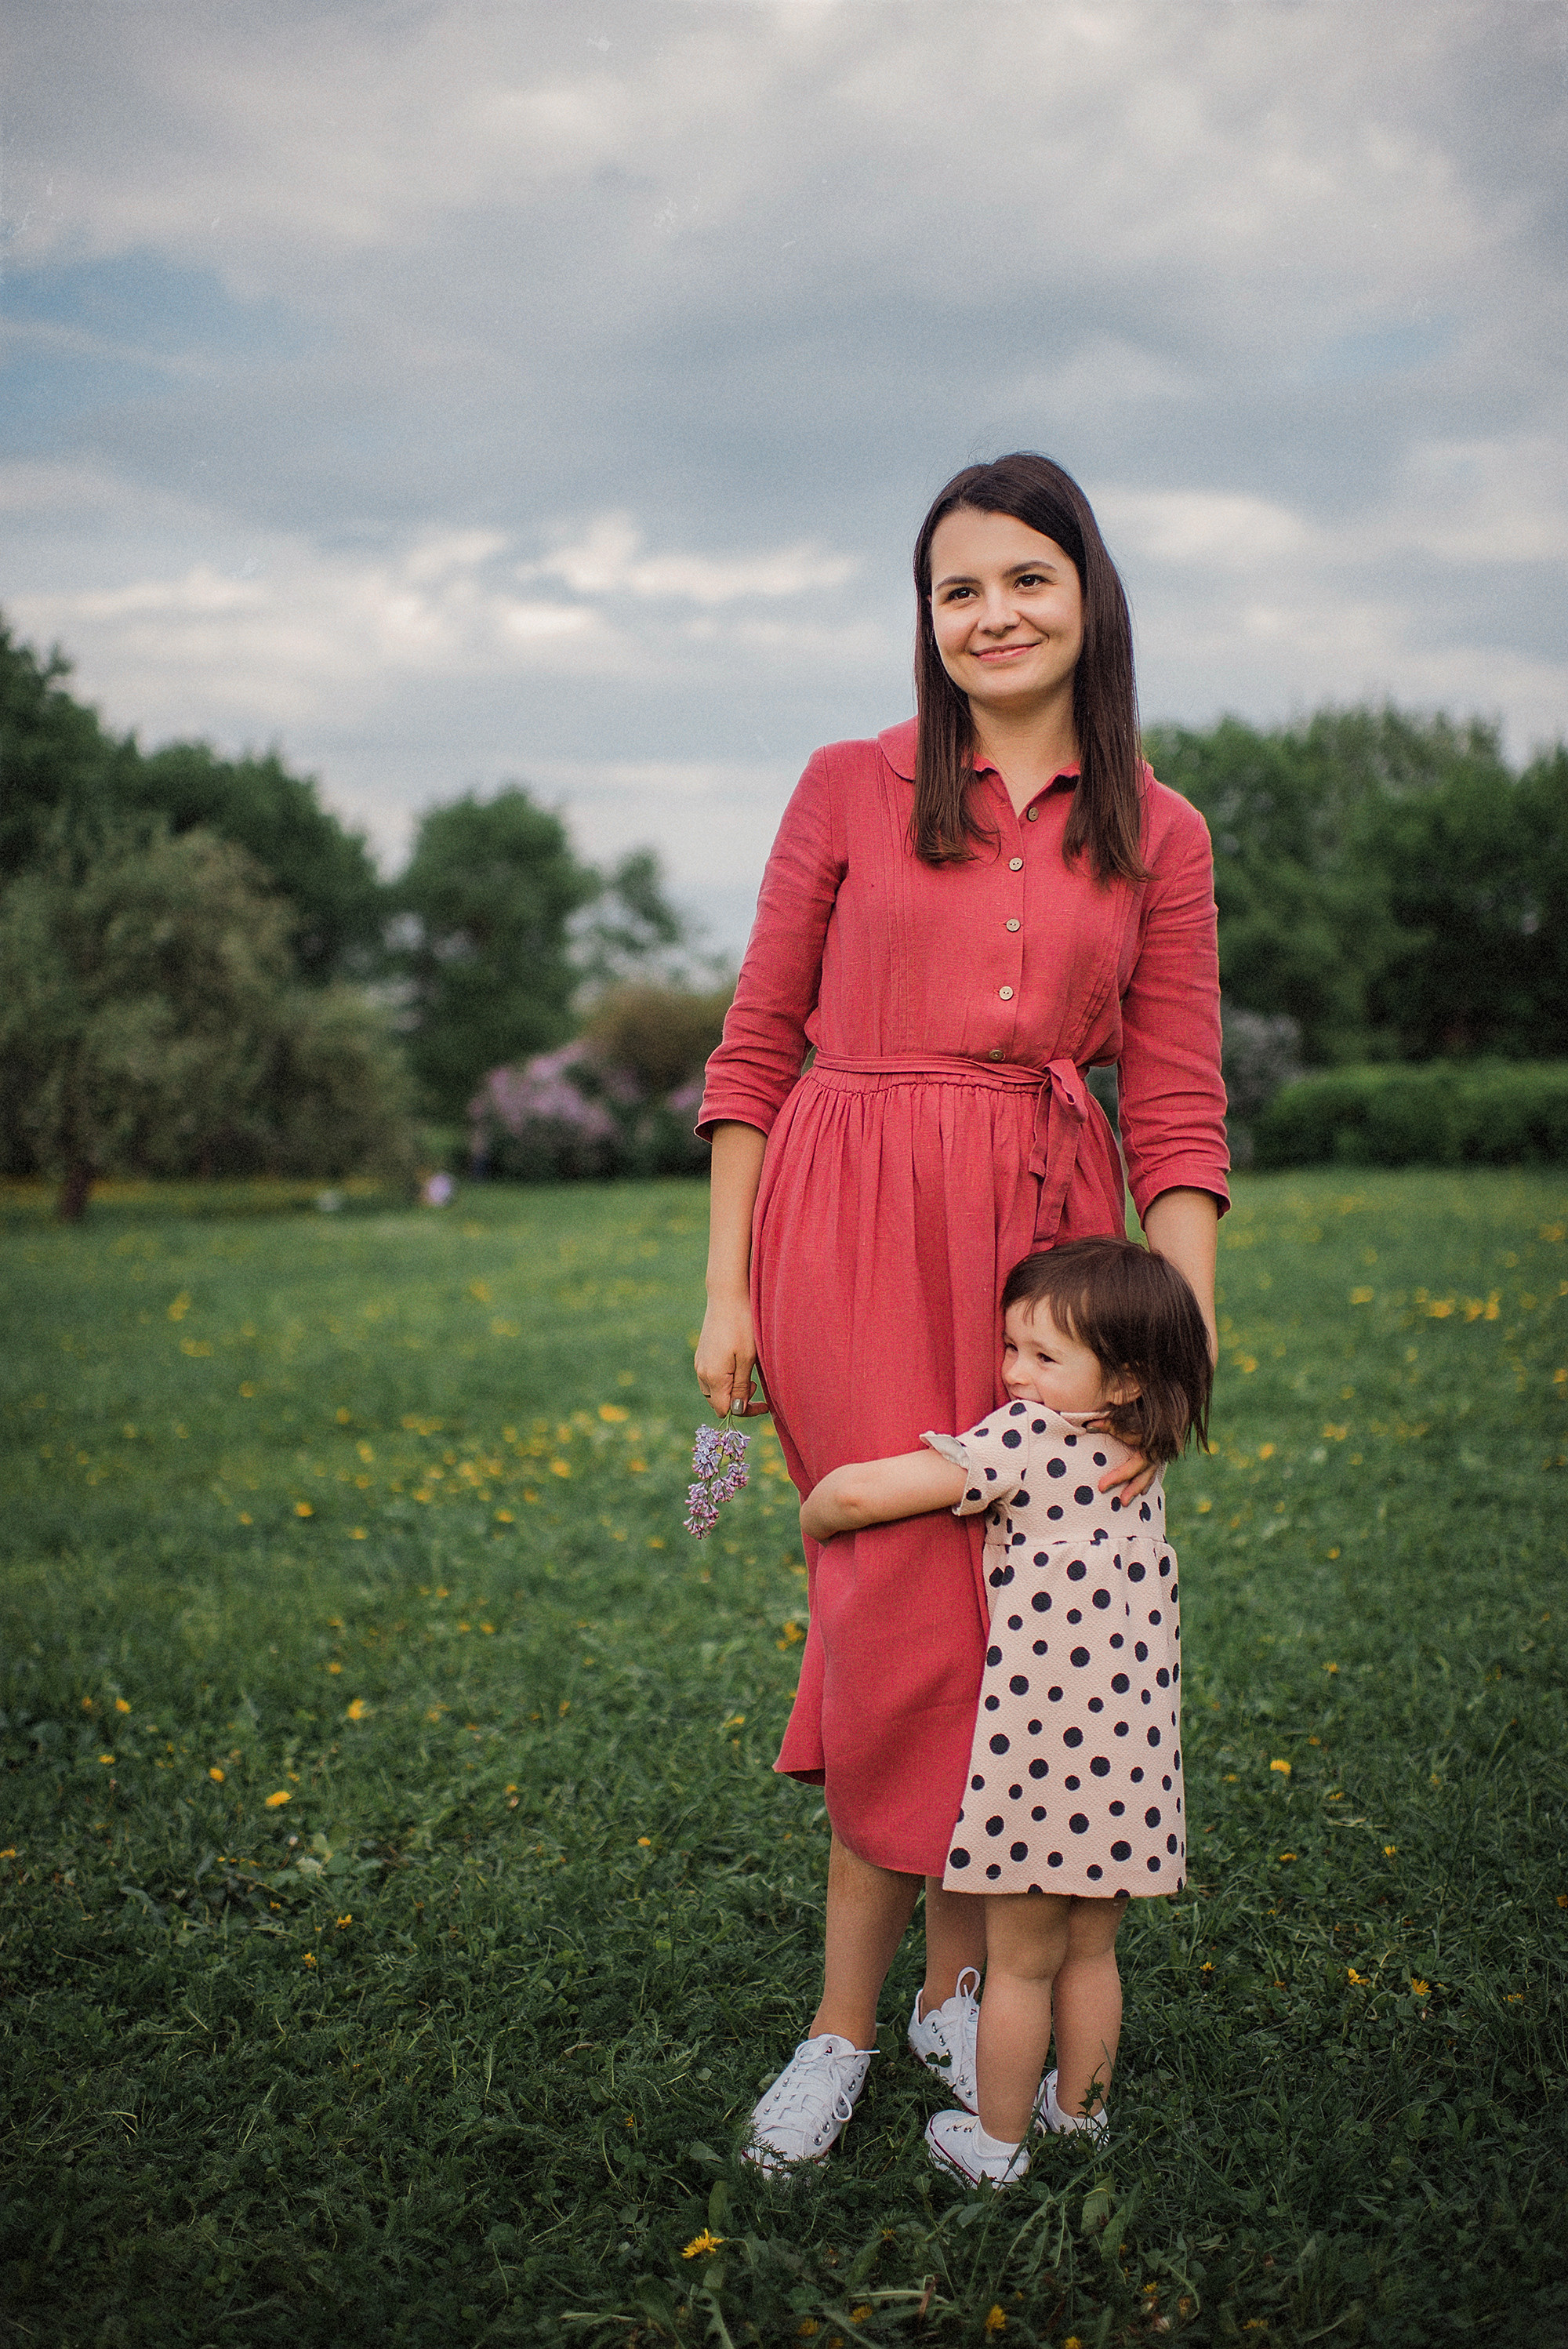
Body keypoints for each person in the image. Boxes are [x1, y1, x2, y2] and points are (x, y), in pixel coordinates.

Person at [693, 452, 1228, 2172]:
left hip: (1051, 1264)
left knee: (1014, 1622)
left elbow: (1179, 1104)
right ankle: (840, 2028)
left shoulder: (1161, 829)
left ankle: (955, 1995)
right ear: (924, 621)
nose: (991, 614)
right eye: (955, 589)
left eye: (1025, 579)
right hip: (843, 1223)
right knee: (896, 1605)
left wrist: (1169, 1354)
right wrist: (727, 1286)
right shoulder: (848, 787)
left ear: (1089, 596)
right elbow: (755, 1042)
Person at [797, 1237, 1213, 2186]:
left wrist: (815, 1516)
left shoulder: (1026, 1439)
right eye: (1010, 1346)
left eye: (1041, 1354)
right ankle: (1078, 2116)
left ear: (1123, 1379)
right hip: (1131, 1767)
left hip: (1035, 1768)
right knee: (1092, 1954)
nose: (1013, 1372)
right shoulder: (1140, 1457)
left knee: (1018, 1965)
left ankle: (992, 2144)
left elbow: (864, 1489)